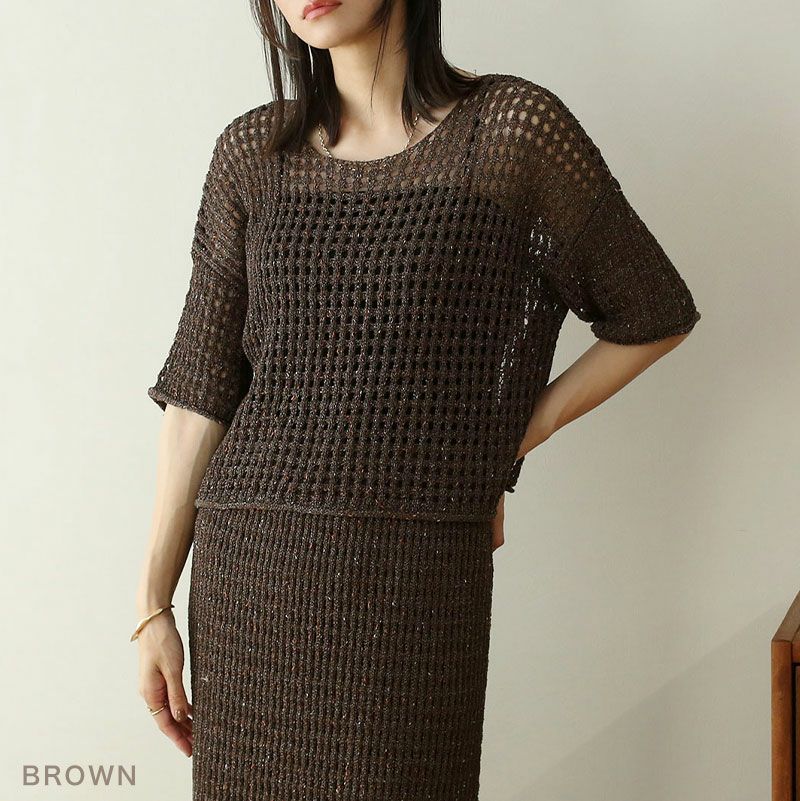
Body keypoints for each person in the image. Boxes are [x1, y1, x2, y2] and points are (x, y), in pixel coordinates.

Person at [133, 1, 701, 798]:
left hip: (416, 581)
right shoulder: (253, 153)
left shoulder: (510, 132)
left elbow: (652, 312)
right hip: (251, 578)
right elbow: (200, 390)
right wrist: (152, 604)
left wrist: (497, 448)